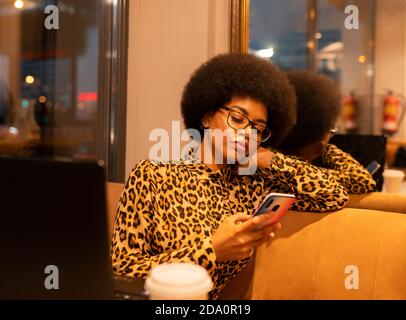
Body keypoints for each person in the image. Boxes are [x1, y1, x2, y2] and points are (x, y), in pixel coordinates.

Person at [111, 53, 370, 300]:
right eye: (237, 118)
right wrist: (210, 250)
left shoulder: (253, 185)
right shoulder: (153, 175)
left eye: (257, 128)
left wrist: (267, 158)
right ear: (207, 116)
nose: (247, 132)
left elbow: (334, 195)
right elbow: (120, 273)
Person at [278, 70, 376, 194]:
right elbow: (363, 181)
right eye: (330, 129)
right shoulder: (310, 176)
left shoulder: (274, 165)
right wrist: (326, 147)